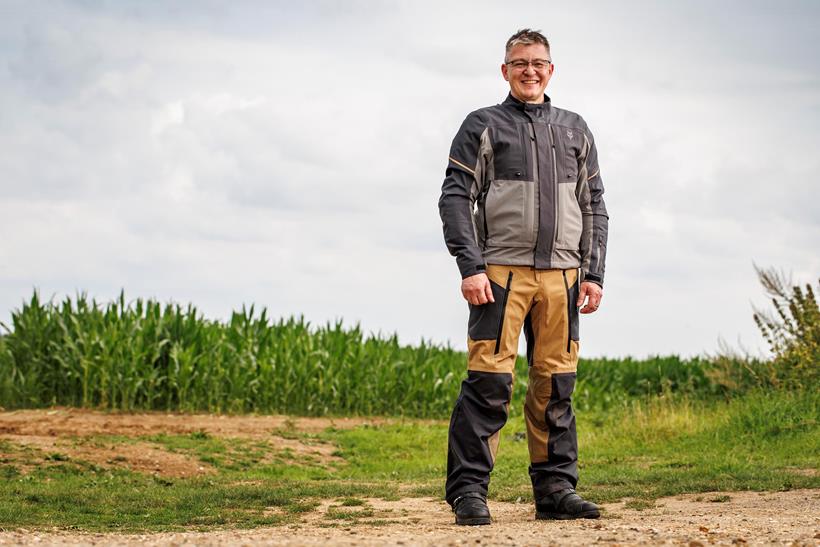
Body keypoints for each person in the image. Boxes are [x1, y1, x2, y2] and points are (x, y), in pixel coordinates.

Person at [438, 28, 609, 525]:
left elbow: (594, 206)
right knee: (490, 384)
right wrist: (470, 265)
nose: (529, 70)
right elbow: (454, 198)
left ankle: (555, 490)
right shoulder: (482, 125)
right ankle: (469, 492)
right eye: (519, 63)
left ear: (550, 70)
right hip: (499, 275)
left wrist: (593, 273)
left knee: (556, 386)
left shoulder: (576, 128)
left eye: (538, 62)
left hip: (564, 277)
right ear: (505, 70)